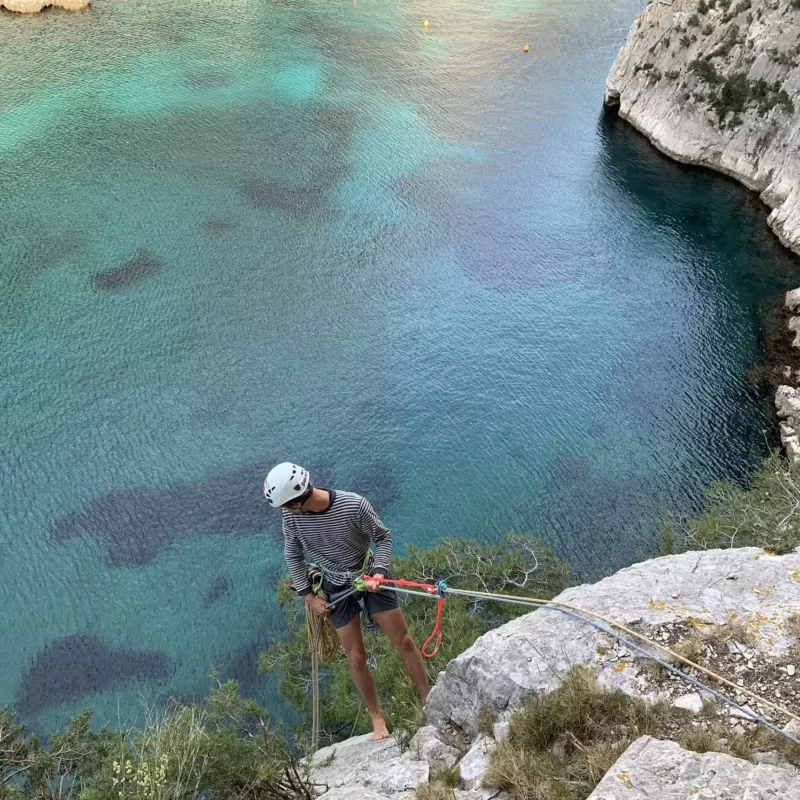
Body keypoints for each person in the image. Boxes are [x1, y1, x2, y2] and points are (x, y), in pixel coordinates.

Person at [263, 462, 430, 740]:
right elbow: (293, 556)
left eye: (286, 505)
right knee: (355, 656)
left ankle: (428, 699)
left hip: (369, 573)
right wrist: (309, 597)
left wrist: (378, 572)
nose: (284, 511)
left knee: (403, 641)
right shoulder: (292, 518)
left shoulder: (354, 505)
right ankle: (377, 718)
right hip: (334, 583)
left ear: (296, 501)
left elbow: (383, 537)